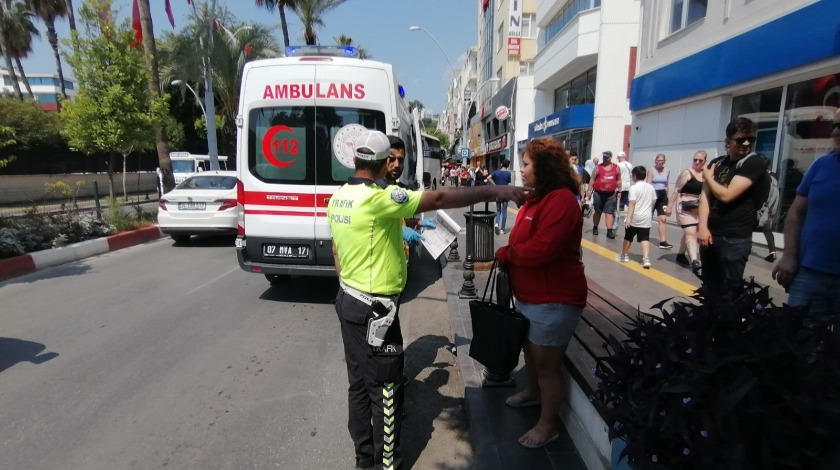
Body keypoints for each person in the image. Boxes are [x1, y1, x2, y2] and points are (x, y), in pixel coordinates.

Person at [329, 129, 526, 470]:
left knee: (359, 386)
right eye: (391, 159)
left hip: (348, 299)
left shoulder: (339, 197)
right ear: (380, 162)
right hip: (376, 310)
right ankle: (387, 464)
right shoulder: (380, 197)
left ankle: (364, 460)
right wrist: (498, 190)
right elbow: (436, 200)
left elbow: (337, 251)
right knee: (387, 390)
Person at [495, 137, 586, 449]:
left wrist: (508, 254)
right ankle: (533, 393)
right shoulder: (538, 199)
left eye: (526, 164)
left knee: (547, 365)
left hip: (554, 299)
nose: (522, 170)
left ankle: (548, 425)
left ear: (543, 168)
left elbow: (542, 249)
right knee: (532, 356)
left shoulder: (560, 200)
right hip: (532, 296)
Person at [772, 111, 840, 335]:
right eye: (835, 126)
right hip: (810, 274)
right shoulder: (821, 166)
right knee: (796, 340)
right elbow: (795, 213)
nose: (836, 132)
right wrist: (789, 255)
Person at [697, 117, 769, 299]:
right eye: (740, 139)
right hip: (711, 235)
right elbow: (705, 197)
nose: (746, 143)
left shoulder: (754, 163)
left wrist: (708, 177)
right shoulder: (717, 163)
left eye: (750, 139)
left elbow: (726, 196)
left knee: (731, 292)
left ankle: (730, 327)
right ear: (727, 142)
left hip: (735, 238)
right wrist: (703, 228)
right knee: (709, 287)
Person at [666, 150, 707, 274]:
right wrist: (669, 206)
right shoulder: (686, 173)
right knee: (690, 232)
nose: (697, 162)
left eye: (700, 160)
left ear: (705, 161)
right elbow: (676, 190)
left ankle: (680, 254)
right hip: (685, 205)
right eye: (695, 160)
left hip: (699, 206)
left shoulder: (706, 174)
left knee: (692, 232)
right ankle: (695, 260)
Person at [615, 165, 656, 268]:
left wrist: (628, 218)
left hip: (635, 217)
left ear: (634, 176)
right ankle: (646, 258)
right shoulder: (650, 187)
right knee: (644, 238)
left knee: (628, 237)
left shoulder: (633, 188)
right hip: (646, 217)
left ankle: (624, 255)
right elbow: (654, 200)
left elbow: (632, 203)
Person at [588, 150, 620, 238]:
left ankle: (609, 231)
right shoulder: (598, 167)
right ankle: (595, 227)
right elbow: (592, 180)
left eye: (606, 157)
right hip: (598, 193)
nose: (604, 158)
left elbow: (619, 180)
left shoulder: (616, 168)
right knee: (598, 212)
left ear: (610, 157)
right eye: (604, 156)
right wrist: (589, 192)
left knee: (609, 212)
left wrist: (620, 191)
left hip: (611, 194)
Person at [646, 154, 673, 249]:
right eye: (658, 160)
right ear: (655, 160)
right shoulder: (651, 170)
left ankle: (663, 241)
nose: (660, 162)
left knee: (663, 218)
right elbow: (648, 185)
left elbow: (666, 184)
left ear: (664, 161)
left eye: (662, 160)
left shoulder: (667, 170)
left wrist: (667, 196)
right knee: (649, 216)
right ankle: (644, 235)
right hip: (653, 194)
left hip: (662, 195)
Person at [489, 160, 513, 234]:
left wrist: (495, 185)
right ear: (508, 166)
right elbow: (508, 182)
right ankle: (502, 229)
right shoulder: (508, 173)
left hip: (498, 193)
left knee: (498, 210)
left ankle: (496, 224)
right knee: (504, 211)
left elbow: (488, 178)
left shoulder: (496, 172)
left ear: (501, 164)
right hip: (505, 194)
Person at [613, 151, 633, 230]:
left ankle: (616, 223)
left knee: (617, 205)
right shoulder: (630, 165)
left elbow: (616, 176)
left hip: (620, 186)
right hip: (627, 186)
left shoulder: (618, 165)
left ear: (619, 157)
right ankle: (631, 212)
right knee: (626, 200)